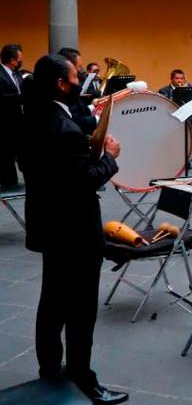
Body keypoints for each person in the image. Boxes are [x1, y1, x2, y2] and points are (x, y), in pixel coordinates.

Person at [22, 55, 127, 404]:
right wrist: (109, 155)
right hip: (75, 232)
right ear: (59, 84)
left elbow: (55, 169)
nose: (78, 81)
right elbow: (84, 181)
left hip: (48, 224)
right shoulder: (63, 129)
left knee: (51, 302)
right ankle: (83, 377)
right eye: (73, 77)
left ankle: (50, 370)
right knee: (81, 310)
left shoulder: (35, 115)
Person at [158, 69, 192, 162]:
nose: (179, 81)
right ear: (171, 79)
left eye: (181, 79)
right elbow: (163, 106)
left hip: (189, 119)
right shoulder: (164, 90)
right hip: (173, 120)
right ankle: (184, 161)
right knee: (183, 134)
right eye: (177, 78)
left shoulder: (188, 89)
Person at [58, 48, 97, 136]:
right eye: (78, 67)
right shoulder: (64, 95)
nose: (81, 71)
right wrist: (98, 119)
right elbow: (74, 119)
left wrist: (92, 107)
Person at [0, 44, 24, 187]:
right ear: (12, 60)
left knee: (20, 153)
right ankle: (9, 183)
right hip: (5, 123)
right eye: (19, 59)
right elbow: (2, 97)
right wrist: (22, 97)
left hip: (18, 121)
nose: (21, 61)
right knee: (6, 156)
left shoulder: (17, 74)